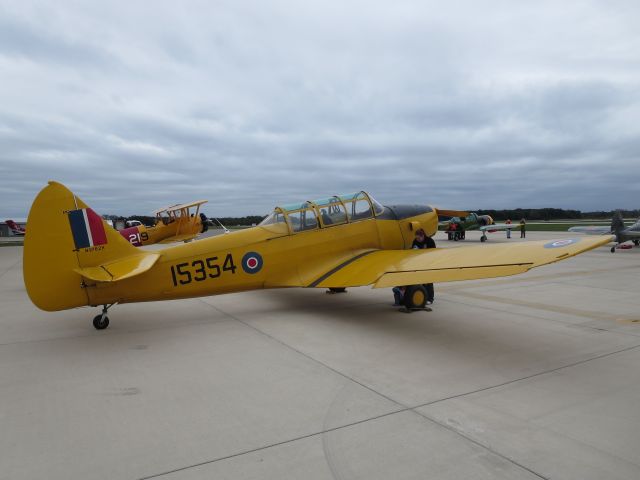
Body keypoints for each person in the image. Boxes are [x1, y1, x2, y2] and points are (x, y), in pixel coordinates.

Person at [412, 229, 435, 304]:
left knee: (428, 282)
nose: (417, 240)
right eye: (416, 238)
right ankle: (424, 297)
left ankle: (430, 299)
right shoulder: (415, 241)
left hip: (428, 263)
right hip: (419, 264)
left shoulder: (429, 241)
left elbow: (434, 253)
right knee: (421, 281)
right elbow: (412, 251)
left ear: (423, 236)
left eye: (419, 238)